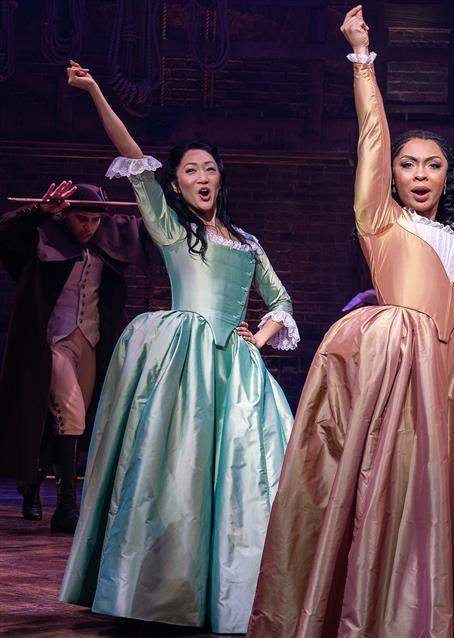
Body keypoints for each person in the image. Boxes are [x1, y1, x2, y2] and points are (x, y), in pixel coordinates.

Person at [248, 7, 454, 637]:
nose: (419, 173)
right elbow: (372, 136)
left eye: (432, 164)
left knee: (450, 496)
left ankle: (442, 607)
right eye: (408, 163)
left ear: (447, 176)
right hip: (398, 366)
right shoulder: (381, 220)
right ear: (391, 174)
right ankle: (376, 607)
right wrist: (363, 58)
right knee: (387, 484)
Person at [58, 60, 298, 633]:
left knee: (243, 477)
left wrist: (260, 336)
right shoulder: (170, 227)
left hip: (236, 367)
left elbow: (281, 301)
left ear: (220, 178)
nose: (202, 177)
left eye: (209, 168)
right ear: (177, 183)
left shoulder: (248, 242)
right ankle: (163, 589)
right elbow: (132, 154)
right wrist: (95, 91)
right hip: (186, 363)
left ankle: (236, 590)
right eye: (191, 170)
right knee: (176, 476)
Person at [0, 180, 147, 533]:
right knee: (71, 415)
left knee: (66, 423)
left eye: (94, 221)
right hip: (54, 341)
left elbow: (150, 229)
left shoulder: (105, 244)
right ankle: (67, 506)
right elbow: (5, 230)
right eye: (81, 219)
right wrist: (39, 210)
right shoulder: (44, 239)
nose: (88, 227)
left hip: (90, 341)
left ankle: (33, 483)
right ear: (66, 216)